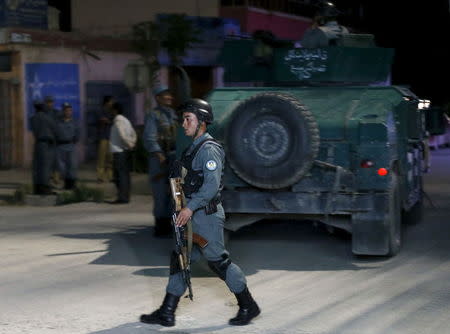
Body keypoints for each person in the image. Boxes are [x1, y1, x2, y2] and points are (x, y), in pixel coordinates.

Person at [139, 98, 260, 327]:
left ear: (202, 122)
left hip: (205, 216)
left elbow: (211, 187)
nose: (183, 124)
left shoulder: (209, 149)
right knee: (180, 260)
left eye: (188, 119)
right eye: (183, 119)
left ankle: (248, 305)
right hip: (191, 215)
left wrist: (189, 208)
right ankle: (167, 311)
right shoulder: (193, 147)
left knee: (219, 262)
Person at [143, 86, 178, 236]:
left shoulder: (174, 115)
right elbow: (149, 137)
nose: (169, 97)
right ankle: (161, 227)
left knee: (174, 192)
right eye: (165, 95)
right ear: (157, 98)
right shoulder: (153, 115)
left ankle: (171, 224)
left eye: (170, 94)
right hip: (160, 159)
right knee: (160, 192)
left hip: (173, 157)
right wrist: (159, 155)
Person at [109, 102, 137, 204]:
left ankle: (122, 197)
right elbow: (133, 133)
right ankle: (125, 196)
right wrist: (132, 143)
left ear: (115, 110)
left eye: (112, 110)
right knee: (124, 175)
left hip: (119, 150)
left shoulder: (118, 121)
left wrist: (129, 144)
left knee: (120, 176)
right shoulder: (126, 120)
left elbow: (122, 135)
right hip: (124, 150)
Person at [30, 100, 59, 195]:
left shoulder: (33, 118)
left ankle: (37, 188)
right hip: (47, 144)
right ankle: (45, 188)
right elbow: (55, 128)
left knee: (37, 167)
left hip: (37, 143)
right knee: (46, 167)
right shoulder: (47, 118)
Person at [56, 102, 80, 190]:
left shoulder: (75, 122)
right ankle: (66, 184)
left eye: (70, 110)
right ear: (63, 111)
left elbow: (78, 134)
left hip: (71, 146)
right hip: (60, 146)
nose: (68, 112)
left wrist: (74, 141)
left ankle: (72, 184)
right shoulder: (58, 122)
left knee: (72, 166)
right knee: (62, 167)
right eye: (66, 110)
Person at [44, 95, 62, 187]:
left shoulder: (56, 113)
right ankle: (48, 178)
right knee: (47, 160)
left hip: (55, 140)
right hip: (46, 140)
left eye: (51, 102)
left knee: (56, 160)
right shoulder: (43, 113)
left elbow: (59, 124)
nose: (50, 104)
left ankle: (56, 178)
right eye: (48, 102)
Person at [96, 95, 114, 183]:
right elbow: (102, 120)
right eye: (111, 101)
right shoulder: (101, 110)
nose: (112, 103)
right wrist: (109, 121)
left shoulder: (112, 111)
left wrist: (109, 121)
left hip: (111, 136)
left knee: (110, 158)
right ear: (107, 102)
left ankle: (110, 176)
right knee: (101, 158)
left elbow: (113, 121)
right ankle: (100, 177)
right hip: (103, 136)